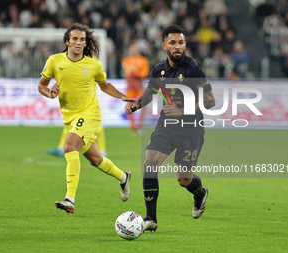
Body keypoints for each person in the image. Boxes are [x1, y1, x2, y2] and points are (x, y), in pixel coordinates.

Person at [125, 25, 215, 231]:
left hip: (192, 128)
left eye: (181, 42)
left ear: (185, 45)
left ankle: (200, 193)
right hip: (166, 125)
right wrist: (137, 104)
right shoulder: (158, 70)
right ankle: (150, 219)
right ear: (164, 44)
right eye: (173, 42)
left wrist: (182, 110)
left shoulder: (194, 69)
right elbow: (150, 92)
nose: (177, 46)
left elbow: (210, 101)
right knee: (150, 162)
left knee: (184, 179)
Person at [38, 23, 135, 214]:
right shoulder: (54, 61)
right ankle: (123, 177)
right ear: (67, 41)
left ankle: (70, 198)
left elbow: (105, 85)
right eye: (74, 38)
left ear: (85, 42)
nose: (78, 42)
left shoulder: (93, 65)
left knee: (69, 146)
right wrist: (50, 93)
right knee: (96, 159)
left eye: (82, 39)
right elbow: (42, 85)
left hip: (90, 114)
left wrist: (122, 96)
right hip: (70, 117)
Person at [122, 42, 150, 132]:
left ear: (138, 49)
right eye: (132, 48)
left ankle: (140, 125)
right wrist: (137, 71)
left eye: (135, 48)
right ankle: (133, 127)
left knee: (143, 105)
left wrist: (135, 72)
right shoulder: (126, 60)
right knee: (129, 105)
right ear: (130, 50)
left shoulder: (144, 60)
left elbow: (144, 73)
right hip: (130, 86)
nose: (133, 50)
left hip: (139, 86)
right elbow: (127, 72)